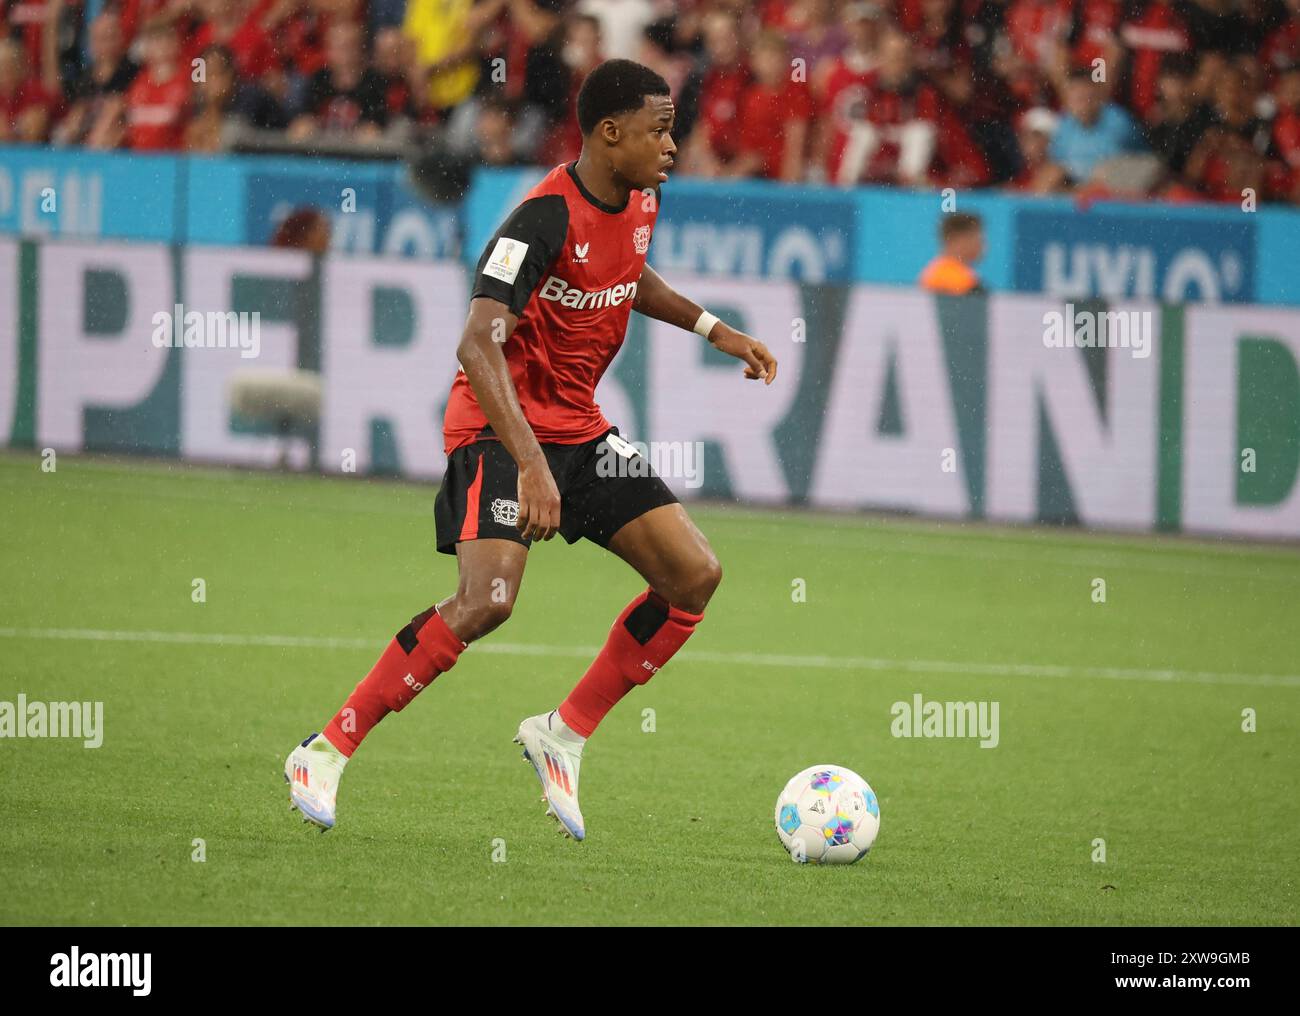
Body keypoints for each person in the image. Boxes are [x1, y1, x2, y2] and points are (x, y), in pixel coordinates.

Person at [285, 59, 779, 841]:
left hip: (578, 428)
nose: (673, 144)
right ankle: (326, 748)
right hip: (498, 424)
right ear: (609, 133)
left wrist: (715, 329)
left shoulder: (642, 196)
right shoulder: (538, 219)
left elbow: (627, 273)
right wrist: (533, 467)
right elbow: (477, 347)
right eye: (659, 128)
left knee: (693, 576)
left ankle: (564, 731)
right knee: (489, 601)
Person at [919, 212, 986, 295]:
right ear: (957, 240)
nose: (982, 245)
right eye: (977, 239)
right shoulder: (953, 278)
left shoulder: (935, 270)